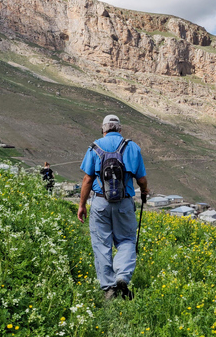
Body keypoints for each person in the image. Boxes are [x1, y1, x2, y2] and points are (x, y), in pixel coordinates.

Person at [77, 114, 149, 300]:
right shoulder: (131, 147)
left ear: (103, 129)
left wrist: (82, 205)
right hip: (124, 202)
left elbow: (87, 180)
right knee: (126, 240)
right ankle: (122, 276)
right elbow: (141, 179)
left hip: (100, 202)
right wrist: (144, 190)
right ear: (120, 129)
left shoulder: (94, 147)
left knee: (101, 245)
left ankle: (109, 287)